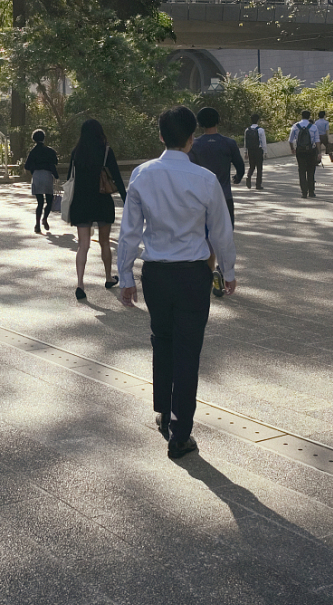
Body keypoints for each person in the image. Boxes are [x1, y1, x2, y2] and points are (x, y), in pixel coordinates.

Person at [117, 106, 236, 460]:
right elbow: (221, 231)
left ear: (160, 136)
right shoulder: (204, 179)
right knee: (188, 350)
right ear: (191, 137)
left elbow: (129, 233)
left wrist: (125, 277)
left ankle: (162, 410)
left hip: (156, 273)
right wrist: (228, 271)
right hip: (193, 275)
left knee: (162, 341)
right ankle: (181, 431)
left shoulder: (142, 175)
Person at [66, 118, 126, 300]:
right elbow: (116, 176)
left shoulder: (76, 152)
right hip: (102, 200)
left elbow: (70, 177)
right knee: (105, 242)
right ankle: (108, 277)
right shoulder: (106, 150)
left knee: (83, 245)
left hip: (81, 201)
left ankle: (80, 284)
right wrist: (127, 200)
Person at [187, 106, 244, 223]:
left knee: (203, 235)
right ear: (218, 121)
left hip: (201, 198)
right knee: (226, 234)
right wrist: (238, 177)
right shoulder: (229, 143)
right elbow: (240, 166)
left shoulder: (194, 145)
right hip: (224, 196)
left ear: (200, 123)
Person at [22, 128, 60, 234]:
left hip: (37, 176)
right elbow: (54, 163)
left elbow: (27, 166)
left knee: (40, 202)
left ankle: (37, 225)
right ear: (44, 138)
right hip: (47, 175)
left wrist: (35, 169)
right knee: (49, 200)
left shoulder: (33, 152)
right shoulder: (49, 151)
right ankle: (45, 218)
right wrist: (56, 176)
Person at [287, 109, 319, 198]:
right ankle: (311, 192)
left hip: (300, 151)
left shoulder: (295, 126)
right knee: (311, 171)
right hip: (311, 151)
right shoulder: (313, 127)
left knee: (301, 170)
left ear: (301, 116)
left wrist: (292, 148)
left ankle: (304, 192)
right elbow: (317, 141)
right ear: (309, 117)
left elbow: (290, 140)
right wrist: (319, 152)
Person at [241, 114, 266, 189]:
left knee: (252, 166)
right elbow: (263, 142)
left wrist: (245, 152)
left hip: (250, 150)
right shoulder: (260, 130)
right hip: (258, 150)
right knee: (259, 168)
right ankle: (258, 185)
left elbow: (245, 142)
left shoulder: (247, 130)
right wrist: (265, 152)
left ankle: (248, 177)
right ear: (258, 120)